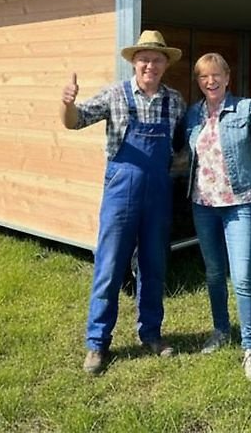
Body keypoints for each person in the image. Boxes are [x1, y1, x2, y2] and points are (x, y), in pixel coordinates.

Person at [60, 29, 187, 375]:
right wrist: (67, 103)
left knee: (154, 266)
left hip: (159, 195)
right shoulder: (115, 95)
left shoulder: (175, 101)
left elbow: (184, 145)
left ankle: (151, 334)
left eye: (157, 59)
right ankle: (97, 343)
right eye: (144, 58)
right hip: (120, 193)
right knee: (110, 266)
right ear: (134, 62)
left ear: (165, 64)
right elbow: (75, 122)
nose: (150, 65)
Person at [184, 52, 251, 381]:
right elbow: (184, 152)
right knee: (214, 273)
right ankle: (220, 330)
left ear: (228, 77)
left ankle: (250, 347)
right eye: (203, 77)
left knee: (241, 277)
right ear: (198, 82)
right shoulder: (192, 114)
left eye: (216, 75)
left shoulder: (245, 108)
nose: (210, 81)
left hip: (240, 202)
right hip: (203, 204)